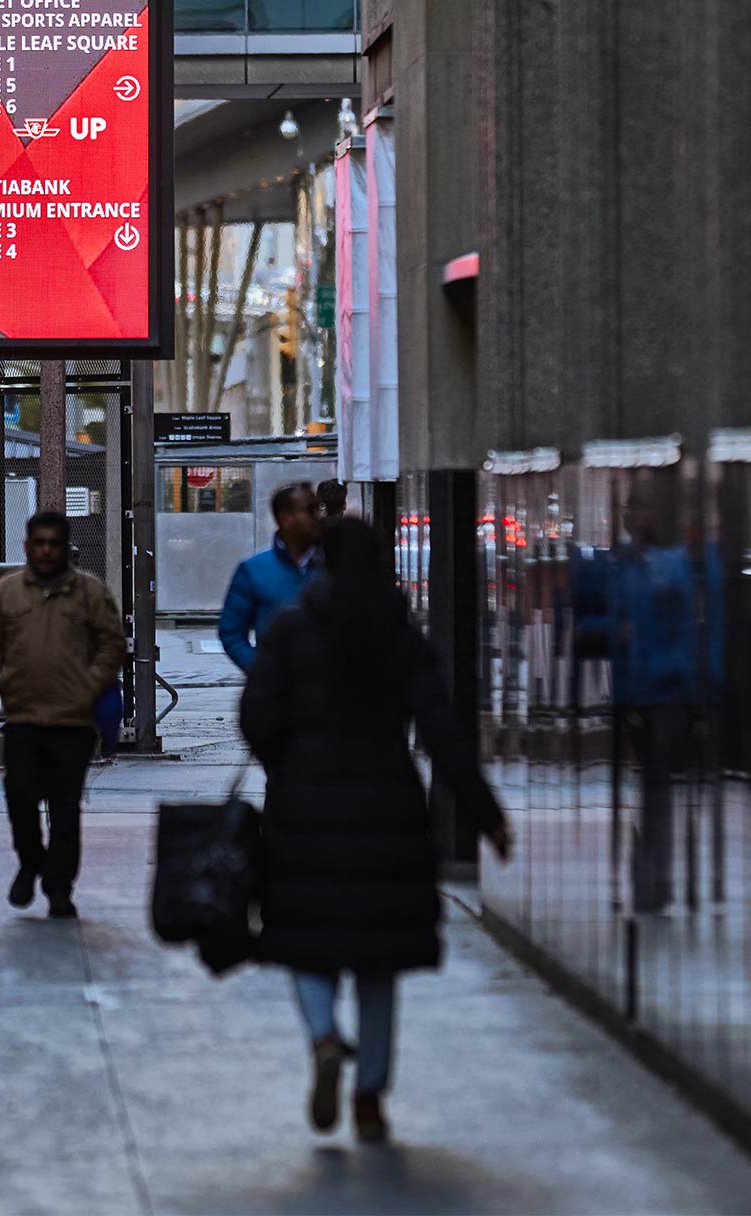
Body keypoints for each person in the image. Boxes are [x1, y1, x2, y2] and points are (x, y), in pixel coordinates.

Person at [240, 518, 512, 1142]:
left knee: (305, 941)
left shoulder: (289, 630)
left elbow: (255, 716)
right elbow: (443, 731)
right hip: (387, 808)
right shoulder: (400, 636)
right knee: (378, 963)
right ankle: (370, 1098)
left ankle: (325, 1039)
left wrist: (288, 764)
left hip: (304, 811)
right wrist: (485, 813)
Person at [0, 510, 126, 920]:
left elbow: (113, 645)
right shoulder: (6, 595)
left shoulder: (90, 593)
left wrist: (89, 685)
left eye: (54, 543)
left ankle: (59, 888)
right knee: (19, 796)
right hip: (22, 718)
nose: (46, 551)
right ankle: (30, 860)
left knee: (64, 807)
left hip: (73, 722)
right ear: (26, 546)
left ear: (66, 548)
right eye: (39, 543)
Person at [217, 481, 325, 673]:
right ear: (286, 519)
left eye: (318, 508)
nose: (318, 516)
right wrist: (261, 670)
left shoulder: (334, 566)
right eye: (309, 510)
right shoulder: (254, 570)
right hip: (278, 695)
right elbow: (231, 632)